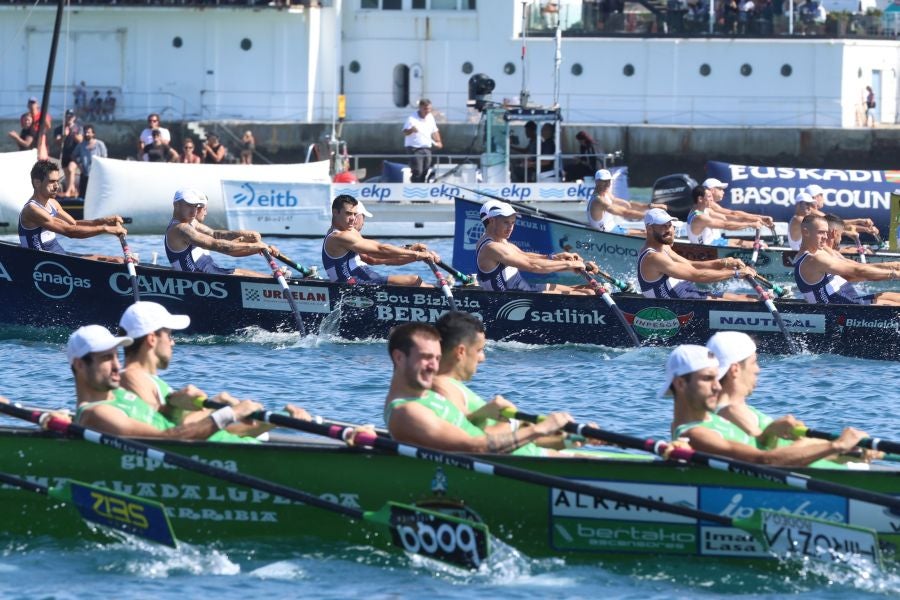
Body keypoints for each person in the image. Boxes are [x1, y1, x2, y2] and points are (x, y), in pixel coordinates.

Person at [117, 301, 308, 441]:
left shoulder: (151, 381)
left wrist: (275, 421)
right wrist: (227, 411)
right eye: (169, 335)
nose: (172, 343)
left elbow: (209, 433)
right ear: (152, 339)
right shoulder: (132, 377)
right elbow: (167, 435)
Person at [664, 344, 868, 466]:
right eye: (708, 379)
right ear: (680, 383)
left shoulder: (718, 421)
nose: (717, 386)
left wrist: (849, 451)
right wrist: (836, 445)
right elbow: (764, 460)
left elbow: (767, 448)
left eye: (717, 378)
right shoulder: (695, 434)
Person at [384, 322, 572, 453]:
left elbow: (470, 431)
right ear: (399, 358)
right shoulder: (407, 412)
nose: (434, 366)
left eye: (437, 358)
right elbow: (474, 447)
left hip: (529, 457)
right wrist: (540, 429)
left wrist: (565, 439)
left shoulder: (428, 399)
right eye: (426, 357)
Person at [68, 324, 274, 441]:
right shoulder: (97, 413)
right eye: (106, 358)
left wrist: (174, 406)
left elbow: (168, 423)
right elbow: (167, 439)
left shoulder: (121, 395)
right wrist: (231, 413)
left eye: (115, 356)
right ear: (79, 365)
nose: (116, 365)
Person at [476, 201, 598, 295]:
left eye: (512, 222)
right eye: (506, 222)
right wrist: (570, 265)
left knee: (588, 289)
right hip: (513, 300)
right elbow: (533, 266)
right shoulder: (491, 247)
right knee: (589, 294)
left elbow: (524, 256)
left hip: (525, 290)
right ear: (492, 220)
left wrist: (555, 258)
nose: (511, 227)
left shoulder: (499, 240)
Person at [638, 208, 757, 300]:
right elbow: (697, 276)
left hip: (685, 290)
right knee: (739, 303)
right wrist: (736, 273)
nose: (669, 230)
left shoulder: (664, 247)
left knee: (744, 298)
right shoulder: (653, 257)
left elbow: (691, 265)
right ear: (649, 229)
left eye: (669, 225)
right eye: (663, 226)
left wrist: (723, 262)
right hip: (676, 302)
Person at [18, 159, 126, 260]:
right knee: (114, 261)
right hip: (41, 263)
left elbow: (74, 224)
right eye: (52, 181)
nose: (57, 186)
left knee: (117, 260)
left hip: (58, 258)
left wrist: (104, 221)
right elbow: (70, 232)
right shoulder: (31, 210)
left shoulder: (53, 203)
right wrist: (106, 229)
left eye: (58, 181)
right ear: (37, 183)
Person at [322, 194, 438, 286]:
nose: (353, 219)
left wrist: (412, 251)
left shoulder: (350, 232)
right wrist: (416, 254)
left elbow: (374, 257)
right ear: (335, 212)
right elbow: (379, 249)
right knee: (414, 280)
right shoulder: (338, 237)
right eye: (348, 214)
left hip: (363, 277)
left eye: (355, 214)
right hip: (351, 286)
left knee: (420, 283)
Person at [793, 214, 900, 305]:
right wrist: (894, 274)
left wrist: (894, 265)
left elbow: (857, 267)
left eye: (826, 232)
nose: (825, 237)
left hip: (847, 304)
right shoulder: (814, 258)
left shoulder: (818, 253)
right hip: (837, 314)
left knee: (892, 296)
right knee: (891, 304)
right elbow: (857, 271)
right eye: (821, 232)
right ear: (806, 232)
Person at [165, 188, 274, 277]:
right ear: (176, 205)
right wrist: (255, 246)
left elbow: (215, 234)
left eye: (195, 206)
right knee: (243, 274)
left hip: (211, 275)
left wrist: (246, 235)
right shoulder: (181, 228)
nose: (194, 210)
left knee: (242, 272)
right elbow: (217, 245)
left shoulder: (191, 222)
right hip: (200, 280)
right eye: (189, 205)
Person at [686, 185, 768, 248]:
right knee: (759, 246)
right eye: (709, 196)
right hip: (707, 249)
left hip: (715, 242)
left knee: (747, 243)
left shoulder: (706, 210)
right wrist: (750, 225)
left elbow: (726, 217)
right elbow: (725, 225)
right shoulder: (699, 217)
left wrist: (756, 219)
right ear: (700, 199)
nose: (712, 199)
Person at [587, 168, 658, 235]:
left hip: (612, 227)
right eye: (604, 181)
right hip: (608, 233)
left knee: (646, 231)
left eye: (609, 181)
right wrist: (650, 217)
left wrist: (651, 206)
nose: (607, 184)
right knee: (647, 233)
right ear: (596, 182)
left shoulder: (605, 193)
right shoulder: (599, 200)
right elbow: (625, 213)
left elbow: (616, 200)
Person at [701, 177, 775, 230]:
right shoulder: (709, 206)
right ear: (712, 190)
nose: (723, 192)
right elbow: (732, 215)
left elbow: (733, 213)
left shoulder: (709, 205)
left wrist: (759, 217)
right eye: (720, 189)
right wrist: (757, 219)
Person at [402, 99, 443, 183]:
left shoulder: (430, 117)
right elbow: (405, 132)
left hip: (427, 147)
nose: (428, 111)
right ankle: (415, 187)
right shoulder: (412, 118)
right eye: (425, 109)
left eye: (429, 109)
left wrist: (438, 141)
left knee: (425, 170)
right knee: (417, 171)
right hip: (414, 148)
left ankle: (422, 187)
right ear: (420, 108)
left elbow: (434, 131)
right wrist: (411, 130)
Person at [71, 124, 108, 199]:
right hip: (85, 174)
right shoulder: (81, 145)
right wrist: (79, 166)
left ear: (93, 134)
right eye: (85, 132)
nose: (86, 134)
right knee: (82, 196)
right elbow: (73, 156)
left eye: (88, 132)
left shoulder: (100, 144)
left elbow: (104, 158)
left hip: (97, 175)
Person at [53, 109, 83, 197]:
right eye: (68, 116)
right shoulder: (59, 129)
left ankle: (68, 191)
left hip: (75, 155)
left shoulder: (78, 128)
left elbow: (80, 140)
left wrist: (73, 133)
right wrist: (64, 135)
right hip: (65, 154)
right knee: (67, 174)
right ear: (65, 117)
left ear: (74, 118)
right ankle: (73, 191)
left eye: (71, 116)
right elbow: (57, 142)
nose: (69, 118)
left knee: (71, 169)